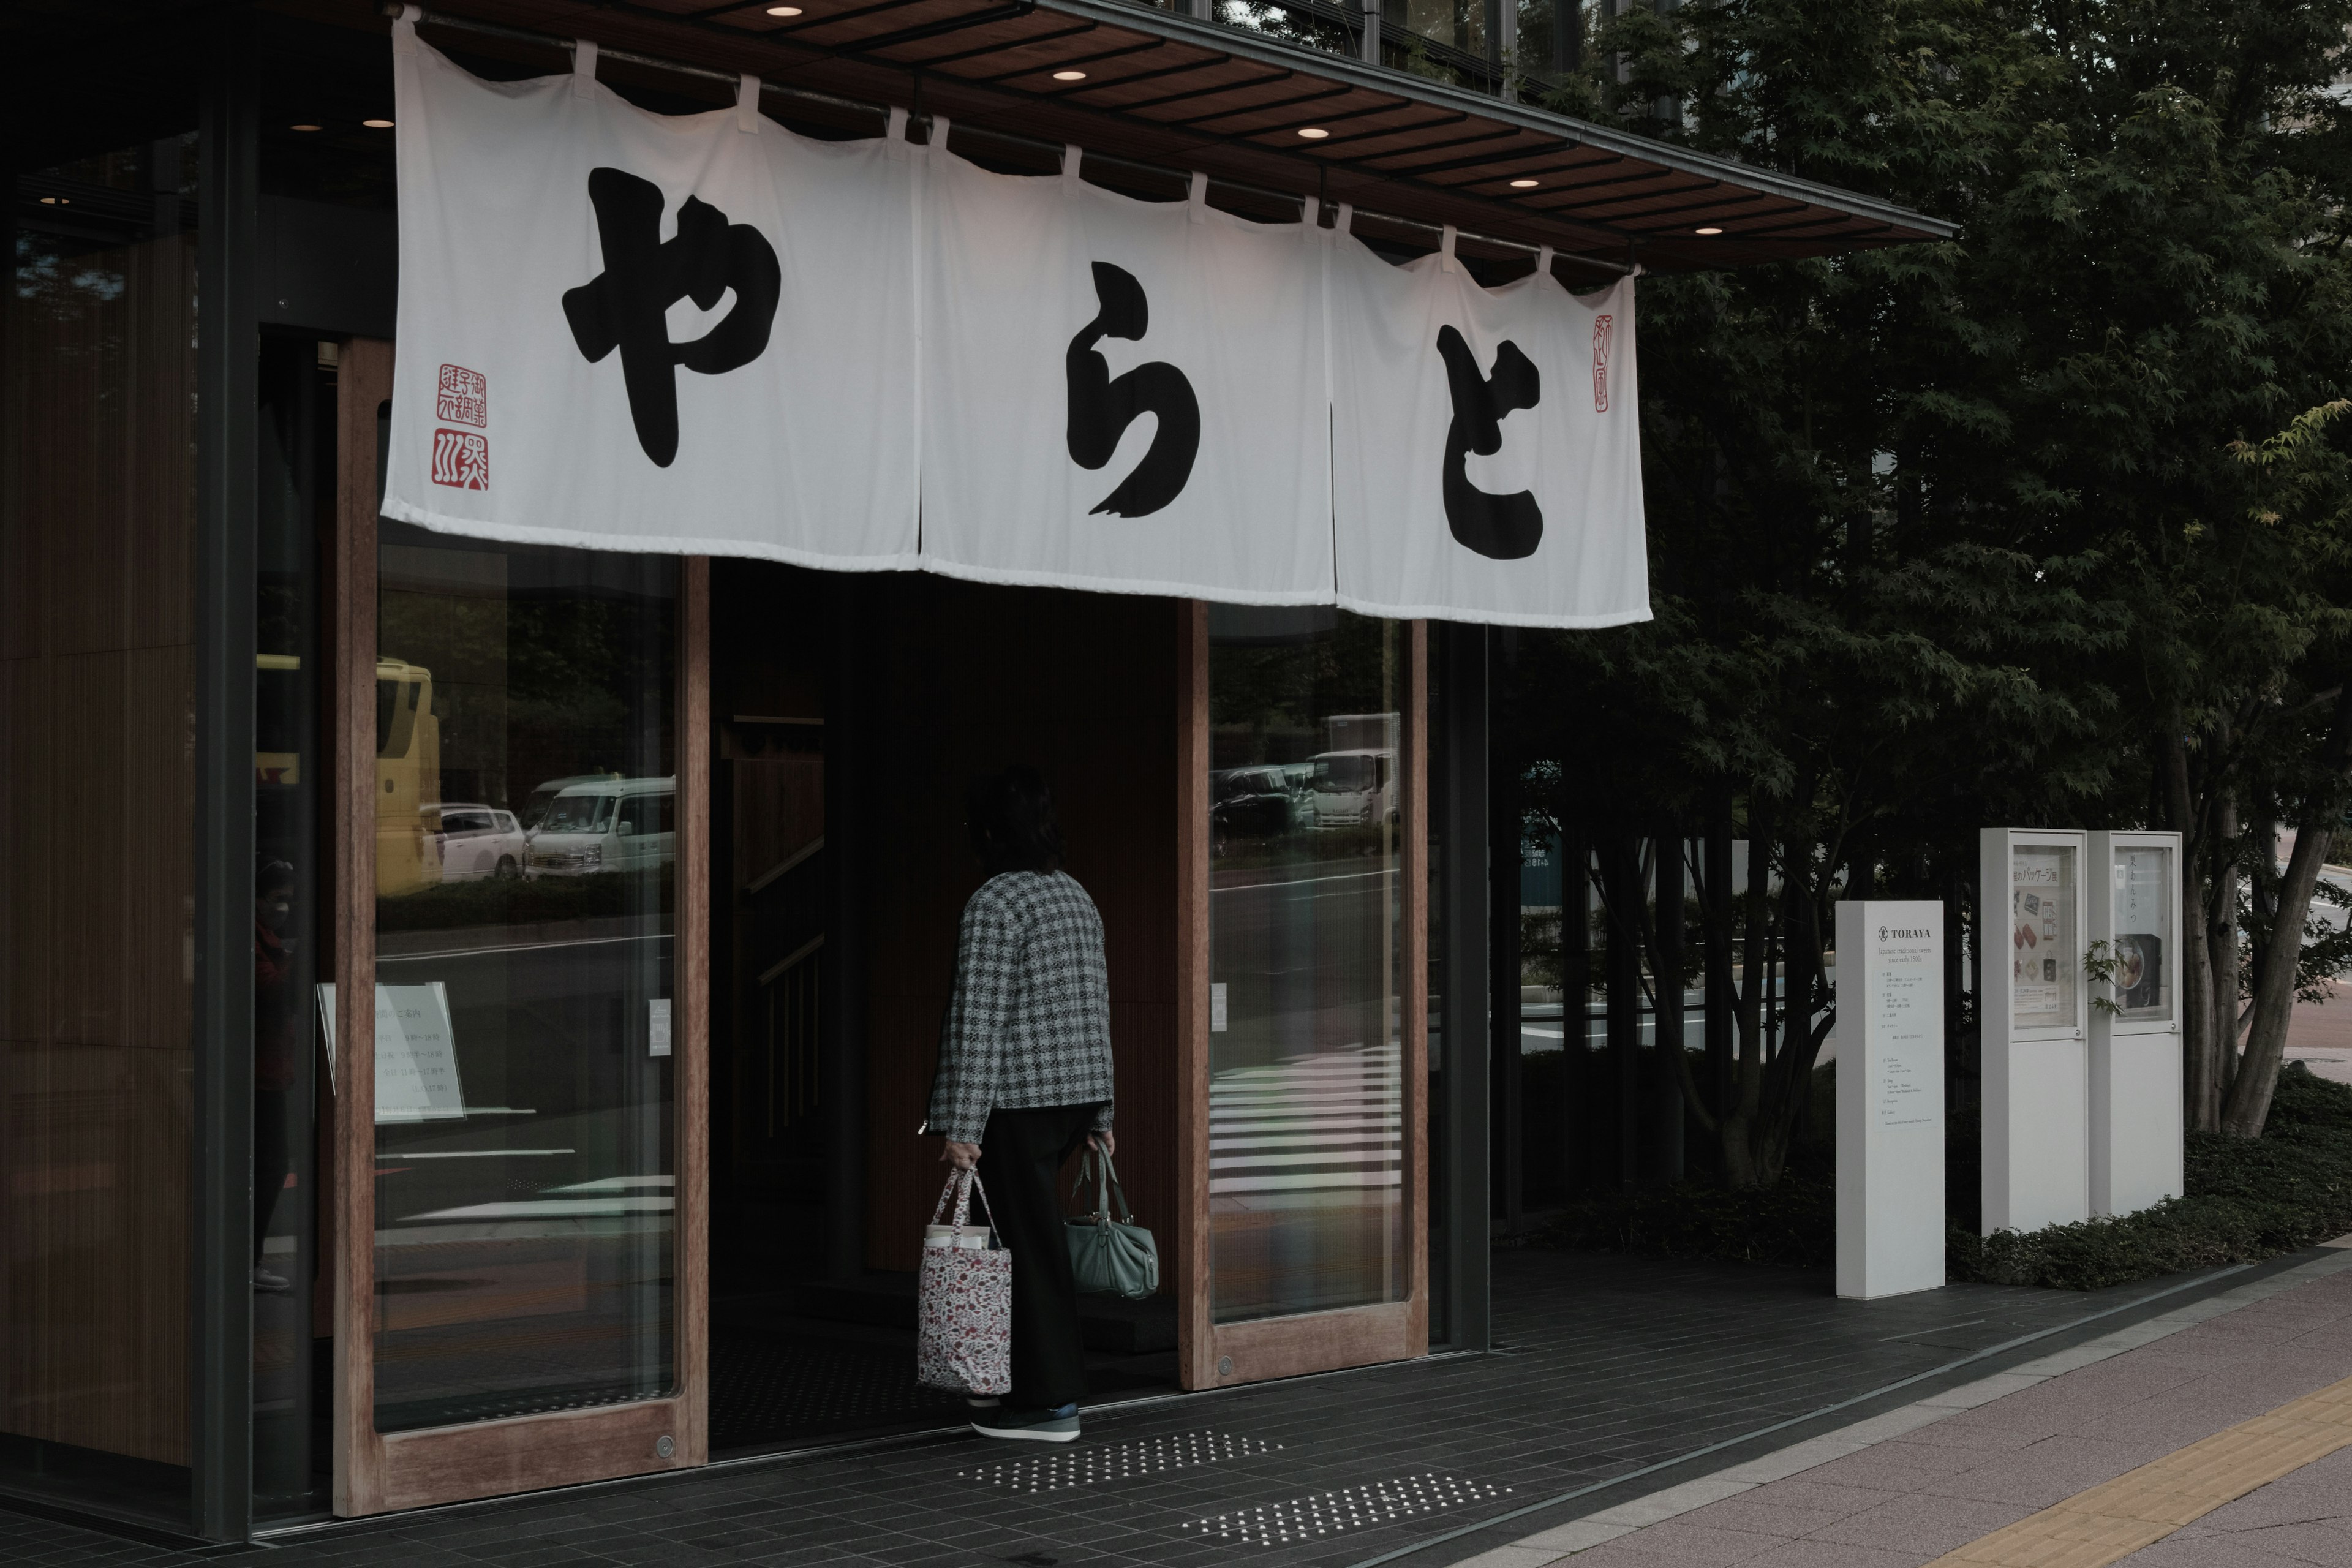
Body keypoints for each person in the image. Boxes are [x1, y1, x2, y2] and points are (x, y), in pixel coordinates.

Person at [925, 766, 1114, 1445]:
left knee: (1025, 1252)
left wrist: (962, 1128)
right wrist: (1103, 1115)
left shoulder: (993, 903)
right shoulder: (1074, 895)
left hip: (1016, 1102)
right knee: (1029, 1244)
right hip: (1071, 1097)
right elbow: (1096, 1007)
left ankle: (1047, 1403)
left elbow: (980, 1022)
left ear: (985, 831)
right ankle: (1030, 1390)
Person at [253, 859, 301, 1294]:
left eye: (289, 899)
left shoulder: (266, 939)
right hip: (259, 1074)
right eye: (278, 899)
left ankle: (250, 1259)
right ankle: (248, 1260)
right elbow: (272, 993)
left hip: (271, 1070)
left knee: (269, 1168)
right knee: (269, 1167)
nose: (284, 908)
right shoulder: (252, 942)